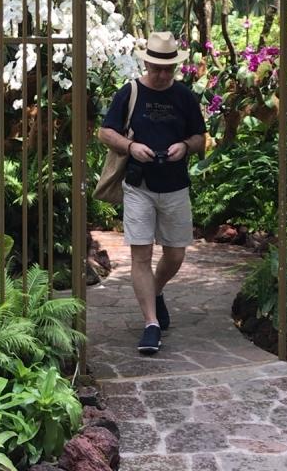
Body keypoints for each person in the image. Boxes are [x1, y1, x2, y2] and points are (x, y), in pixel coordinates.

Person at [98, 31, 207, 355]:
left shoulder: (184, 96)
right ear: (146, 63)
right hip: (139, 186)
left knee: (175, 254)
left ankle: (155, 291)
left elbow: (200, 137)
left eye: (168, 69)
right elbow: (105, 132)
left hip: (175, 185)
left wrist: (184, 146)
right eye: (157, 68)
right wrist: (131, 146)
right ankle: (151, 324)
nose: (162, 74)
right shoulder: (130, 92)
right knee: (141, 256)